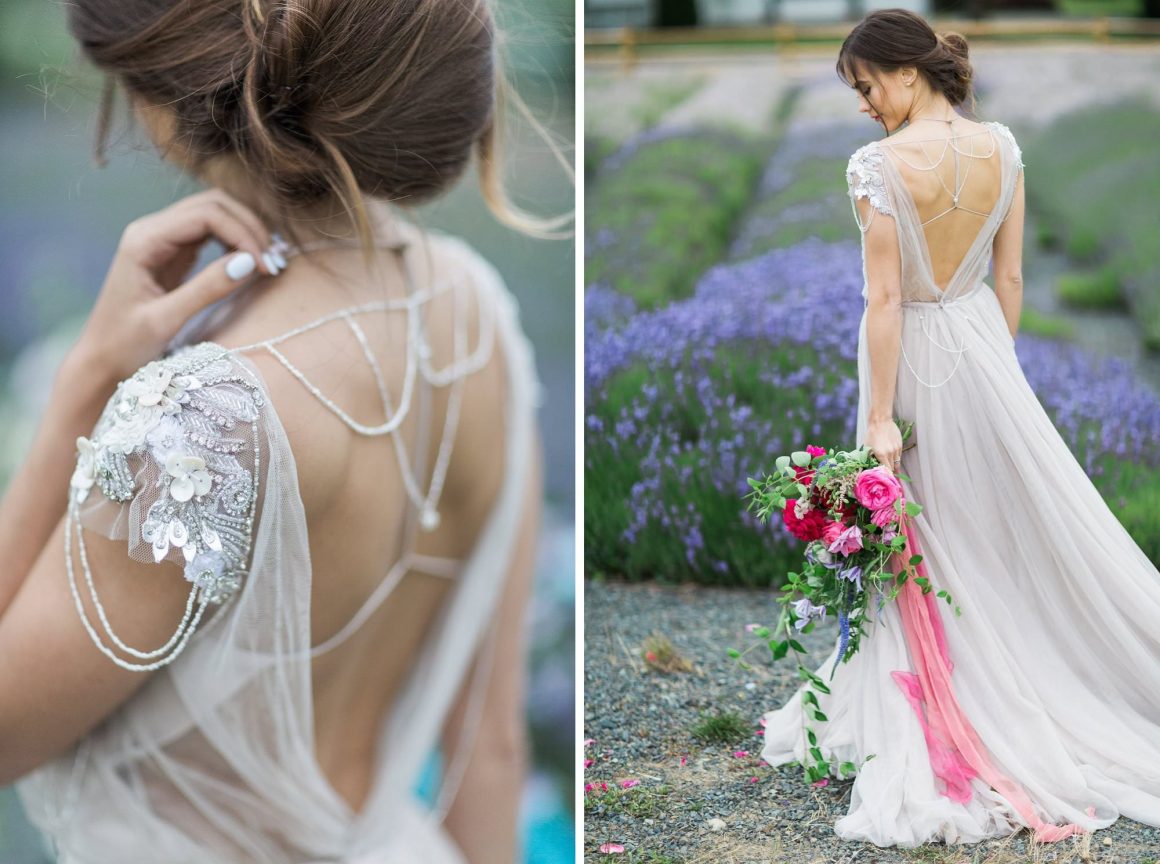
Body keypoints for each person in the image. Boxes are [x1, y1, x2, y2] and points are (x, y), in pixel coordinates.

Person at [0, 0, 569, 861]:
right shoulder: (478, 311)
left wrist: (88, 378)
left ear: (169, 101)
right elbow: (489, 753)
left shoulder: (202, 423)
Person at [759, 8, 1160, 849]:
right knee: (994, 529)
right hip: (984, 349)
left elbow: (883, 300)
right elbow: (1009, 275)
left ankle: (960, 700)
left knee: (923, 532)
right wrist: (992, 373)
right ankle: (1020, 670)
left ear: (904, 72)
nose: (865, 105)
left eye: (866, 85)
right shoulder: (1003, 147)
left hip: (911, 356)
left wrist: (878, 419)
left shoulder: (877, 165)